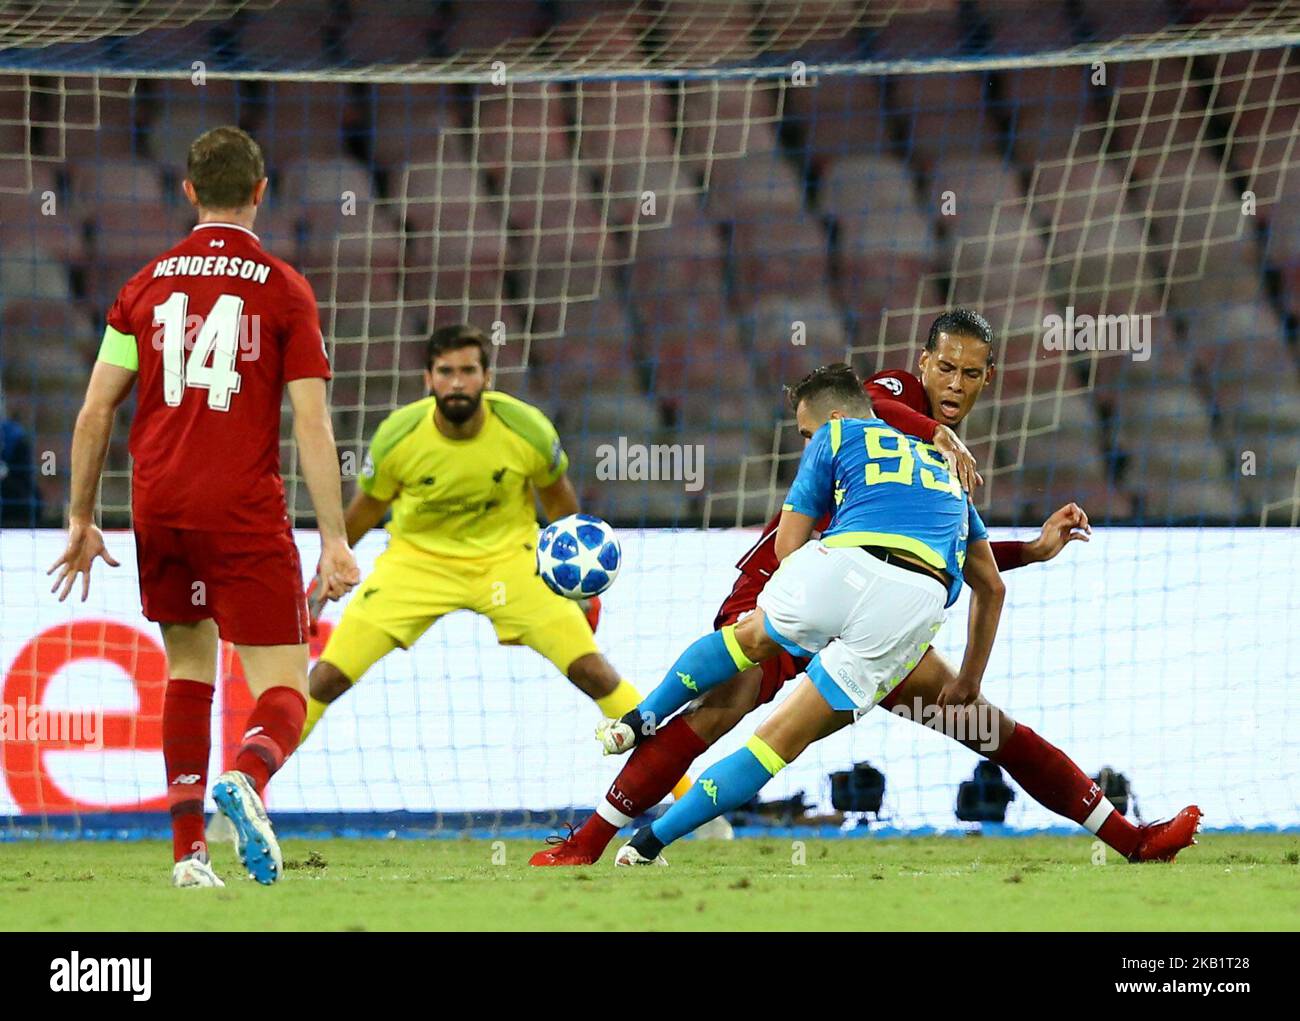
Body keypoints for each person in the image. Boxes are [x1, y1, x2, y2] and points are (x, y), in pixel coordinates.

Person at [48, 126, 359, 888]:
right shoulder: (285, 288)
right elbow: (311, 423)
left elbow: (94, 412)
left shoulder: (144, 286)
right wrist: (336, 538)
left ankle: (189, 855)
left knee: (187, 666)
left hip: (158, 501)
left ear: (187, 191)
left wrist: (80, 517)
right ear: (261, 191)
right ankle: (249, 776)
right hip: (242, 505)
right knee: (284, 682)